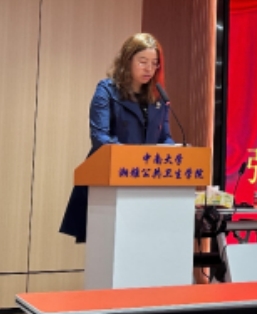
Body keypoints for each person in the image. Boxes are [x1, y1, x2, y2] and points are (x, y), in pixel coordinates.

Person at [59, 33, 174, 242]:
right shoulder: (107, 90)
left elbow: (165, 138)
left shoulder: (158, 98)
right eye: (143, 62)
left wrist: (174, 151)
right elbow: (100, 137)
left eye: (154, 63)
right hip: (111, 182)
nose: (149, 68)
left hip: (147, 185)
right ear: (127, 60)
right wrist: (135, 158)